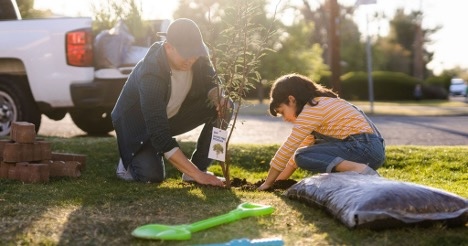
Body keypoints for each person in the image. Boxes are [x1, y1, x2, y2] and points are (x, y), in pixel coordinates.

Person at [111, 18, 231, 187]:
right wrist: (200, 177)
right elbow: (159, 133)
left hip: (170, 116)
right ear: (168, 47)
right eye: (186, 55)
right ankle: (128, 160)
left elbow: (212, 83)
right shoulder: (151, 72)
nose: (191, 60)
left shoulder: (198, 58)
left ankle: (199, 168)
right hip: (140, 127)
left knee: (227, 106)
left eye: (195, 54)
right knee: (152, 176)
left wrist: (218, 97)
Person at [258, 74, 386, 191]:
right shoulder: (320, 104)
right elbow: (296, 155)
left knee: (301, 155)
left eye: (282, 112)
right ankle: (358, 173)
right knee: (306, 151)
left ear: (291, 100)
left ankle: (359, 170)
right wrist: (276, 182)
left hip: (364, 148)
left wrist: (267, 184)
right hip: (371, 149)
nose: (284, 119)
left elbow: (288, 149)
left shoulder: (312, 110)